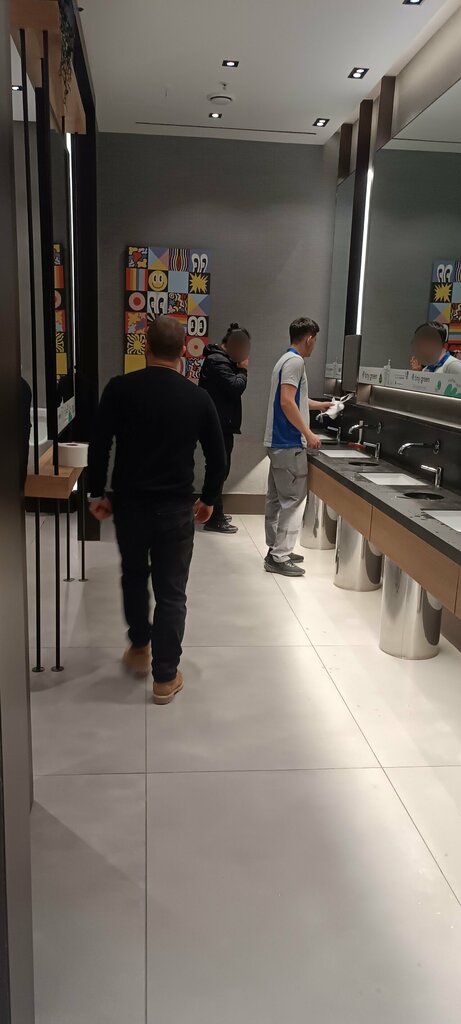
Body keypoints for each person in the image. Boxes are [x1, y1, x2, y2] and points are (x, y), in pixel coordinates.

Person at [87, 316, 226, 705]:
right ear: (183, 351)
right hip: (176, 510)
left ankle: (139, 647)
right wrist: (209, 498)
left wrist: (97, 493)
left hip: (129, 506)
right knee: (172, 591)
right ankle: (165, 677)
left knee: (133, 576)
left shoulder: (119, 389)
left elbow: (99, 444)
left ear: (145, 347)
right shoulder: (198, 398)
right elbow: (218, 457)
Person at [263, 317, 332, 577]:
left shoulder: (284, 360)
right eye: (315, 340)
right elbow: (286, 402)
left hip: (277, 441)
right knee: (293, 500)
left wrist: (320, 405)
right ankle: (280, 556)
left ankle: (275, 549)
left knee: (276, 499)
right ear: (309, 338)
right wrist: (308, 433)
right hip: (288, 441)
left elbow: (296, 399)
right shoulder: (296, 362)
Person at [198, 323, 250, 534]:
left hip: (220, 424)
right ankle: (214, 517)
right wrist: (243, 369)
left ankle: (214, 511)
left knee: (220, 468)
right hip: (217, 425)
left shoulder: (221, 360)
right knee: (219, 469)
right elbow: (236, 387)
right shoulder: (218, 361)